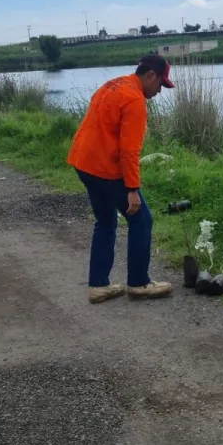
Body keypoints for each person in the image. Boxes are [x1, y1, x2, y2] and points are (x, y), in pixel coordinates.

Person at [67, 54, 174, 303]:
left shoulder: (112, 84)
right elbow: (129, 151)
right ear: (150, 75)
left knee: (105, 222)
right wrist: (132, 189)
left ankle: (98, 286)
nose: (159, 91)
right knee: (141, 220)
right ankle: (139, 283)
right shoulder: (134, 99)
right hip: (104, 167)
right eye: (160, 84)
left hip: (83, 163)